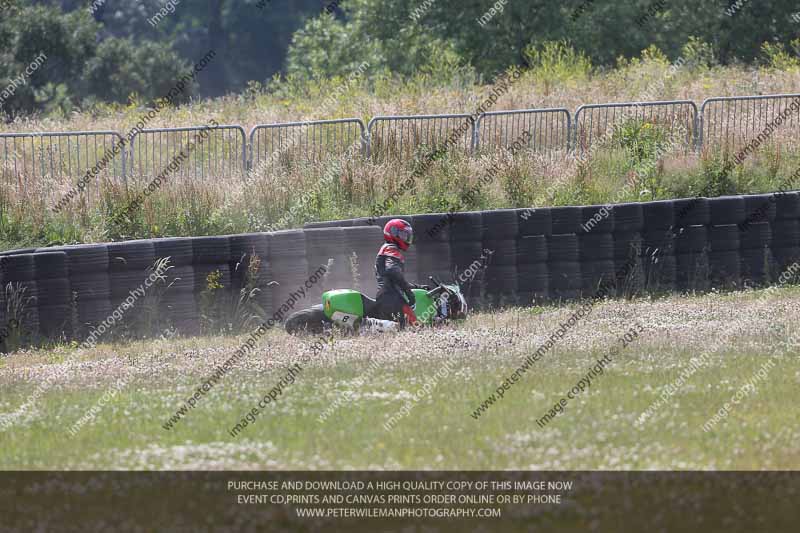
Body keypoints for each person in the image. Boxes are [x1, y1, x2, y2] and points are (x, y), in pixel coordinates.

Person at [374, 219, 424, 326]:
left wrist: (417, 287)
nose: (406, 238)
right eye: (403, 235)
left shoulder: (386, 249)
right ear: (393, 233)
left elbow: (395, 280)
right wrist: (409, 293)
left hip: (386, 297)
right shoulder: (391, 248)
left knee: (399, 332)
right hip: (392, 298)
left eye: (407, 235)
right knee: (415, 327)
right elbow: (392, 270)